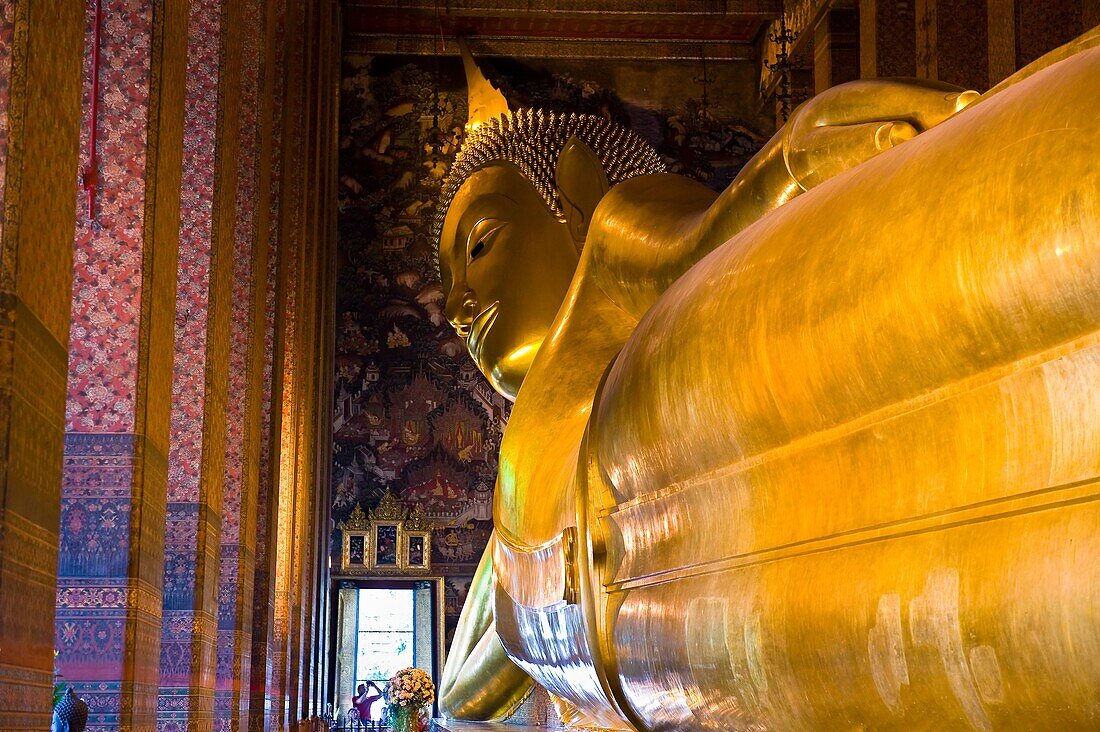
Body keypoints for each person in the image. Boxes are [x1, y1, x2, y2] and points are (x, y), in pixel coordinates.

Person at [438, 34, 1099, 731]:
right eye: (450, 284)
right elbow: (461, 693)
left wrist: (784, 163)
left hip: (660, 423)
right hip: (666, 645)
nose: (459, 307)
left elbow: (698, 241)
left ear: (572, 191)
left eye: (480, 245)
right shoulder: (519, 481)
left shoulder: (611, 234)